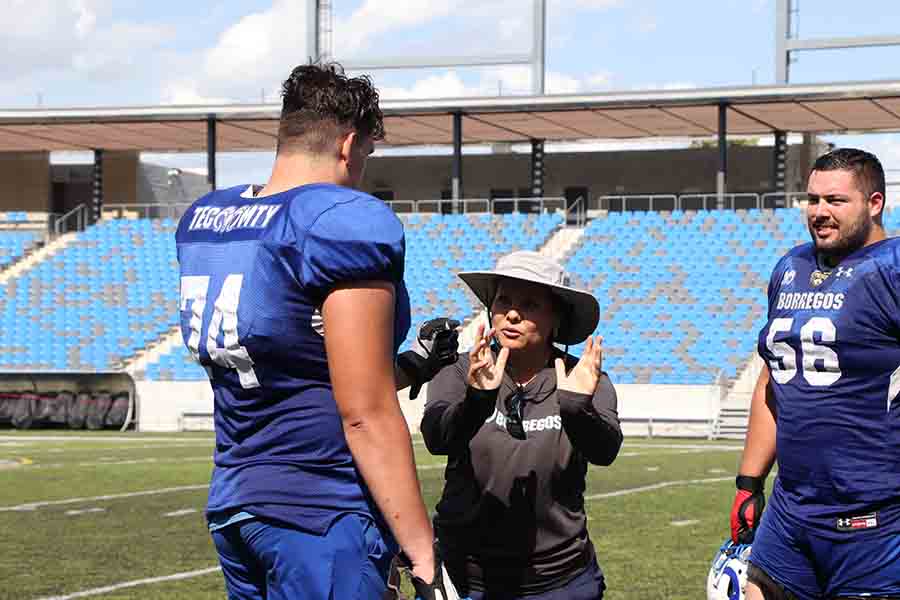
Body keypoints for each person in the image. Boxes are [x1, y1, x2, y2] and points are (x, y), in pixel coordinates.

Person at [176, 62, 457, 599]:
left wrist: (414, 364)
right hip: (319, 508)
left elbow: (302, 369)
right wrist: (423, 554)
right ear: (350, 145)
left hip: (237, 501)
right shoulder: (340, 221)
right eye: (368, 157)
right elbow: (364, 413)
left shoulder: (208, 219)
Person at [730, 148, 900, 600]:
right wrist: (749, 482)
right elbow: (773, 382)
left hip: (874, 520)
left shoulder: (893, 268)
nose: (820, 212)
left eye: (836, 201)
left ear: (875, 203)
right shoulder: (791, 267)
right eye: (813, 199)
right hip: (791, 511)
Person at [421, 250, 623, 599]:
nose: (512, 313)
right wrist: (476, 401)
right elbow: (438, 438)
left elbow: (605, 450)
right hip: (466, 576)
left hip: (558, 578)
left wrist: (577, 409)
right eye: (503, 301)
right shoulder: (460, 368)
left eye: (530, 304)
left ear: (556, 319)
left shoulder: (584, 377)